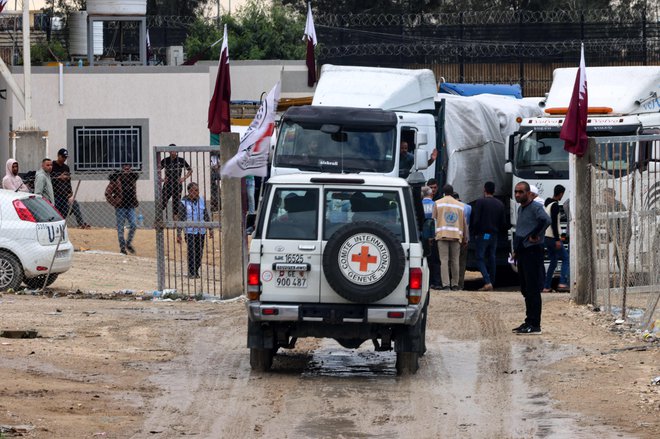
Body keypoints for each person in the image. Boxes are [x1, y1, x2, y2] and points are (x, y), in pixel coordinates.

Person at [511, 181, 551, 335]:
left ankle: (535, 324)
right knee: (526, 289)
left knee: (533, 289)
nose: (517, 195)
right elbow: (521, 230)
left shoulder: (535, 207)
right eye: (516, 192)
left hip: (533, 251)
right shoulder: (522, 209)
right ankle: (528, 321)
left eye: (520, 192)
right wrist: (516, 250)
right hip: (523, 251)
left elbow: (546, 220)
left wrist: (536, 235)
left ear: (528, 193)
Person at [470, 181, 507, 291]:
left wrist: (475, 233)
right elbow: (503, 223)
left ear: (484, 190)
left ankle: (487, 281)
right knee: (492, 257)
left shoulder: (481, 202)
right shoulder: (500, 204)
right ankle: (492, 281)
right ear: (494, 190)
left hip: (484, 234)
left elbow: (476, 220)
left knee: (480, 257)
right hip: (494, 235)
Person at [433, 184, 467, 291]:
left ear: (443, 193)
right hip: (456, 236)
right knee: (455, 260)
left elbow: (433, 220)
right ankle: (455, 284)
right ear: (452, 193)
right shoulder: (460, 205)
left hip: (442, 235)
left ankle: (446, 284)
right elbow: (464, 223)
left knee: (444, 260)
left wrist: (432, 236)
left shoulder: (437, 203)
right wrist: (465, 237)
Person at [177, 182, 212, 279]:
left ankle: (196, 270)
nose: (197, 192)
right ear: (189, 191)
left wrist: (210, 228)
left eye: (197, 190)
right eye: (195, 190)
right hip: (190, 231)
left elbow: (206, 214)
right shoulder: (183, 202)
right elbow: (180, 219)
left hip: (201, 231)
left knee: (199, 252)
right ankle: (191, 272)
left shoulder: (201, 200)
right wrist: (178, 233)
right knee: (191, 251)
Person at [51, 148, 90, 229]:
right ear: (58, 156)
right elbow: (48, 179)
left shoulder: (66, 167)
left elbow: (68, 181)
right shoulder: (52, 166)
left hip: (64, 194)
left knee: (74, 204)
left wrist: (70, 191)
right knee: (57, 211)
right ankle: (58, 224)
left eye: (65, 157)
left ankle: (80, 223)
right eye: (63, 157)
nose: (64, 159)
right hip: (54, 194)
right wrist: (58, 178)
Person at [105, 163, 140, 255]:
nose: (126, 170)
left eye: (128, 169)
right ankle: (122, 247)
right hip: (120, 207)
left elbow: (136, 180)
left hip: (130, 206)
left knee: (133, 225)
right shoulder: (116, 178)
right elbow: (107, 193)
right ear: (122, 169)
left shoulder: (132, 178)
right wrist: (115, 202)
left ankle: (128, 243)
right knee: (120, 228)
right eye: (125, 168)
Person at [543, 184, 569, 292]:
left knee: (553, 261)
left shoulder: (547, 204)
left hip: (546, 237)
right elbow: (553, 223)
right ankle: (562, 283)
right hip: (553, 238)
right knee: (566, 258)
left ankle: (546, 286)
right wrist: (558, 239)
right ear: (561, 194)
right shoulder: (554, 206)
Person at [159, 147, 192, 220]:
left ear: (176, 151)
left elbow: (190, 170)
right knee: (163, 202)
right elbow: (157, 170)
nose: (172, 152)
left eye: (174, 150)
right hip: (167, 185)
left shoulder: (181, 160)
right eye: (171, 150)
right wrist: (162, 179)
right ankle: (158, 220)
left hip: (177, 185)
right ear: (169, 152)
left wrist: (183, 178)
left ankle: (175, 224)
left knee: (176, 204)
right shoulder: (165, 160)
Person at [603, 187, 631, 273]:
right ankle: (624, 277)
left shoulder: (619, 206)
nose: (603, 198)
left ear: (611, 196)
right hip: (617, 236)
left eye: (605, 195)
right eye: (603, 196)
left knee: (621, 258)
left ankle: (625, 278)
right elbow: (610, 225)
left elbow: (624, 225)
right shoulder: (608, 207)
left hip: (623, 236)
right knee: (619, 258)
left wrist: (621, 241)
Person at [453, 192, 471, 290]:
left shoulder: (452, 207)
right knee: (462, 262)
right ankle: (461, 284)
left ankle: (453, 283)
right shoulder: (468, 207)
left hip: (454, 236)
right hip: (466, 237)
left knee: (453, 260)